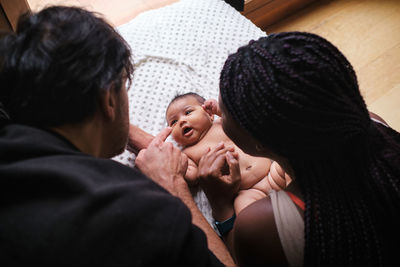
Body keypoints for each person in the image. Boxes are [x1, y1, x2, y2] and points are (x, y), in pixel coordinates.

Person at [0, 6, 235, 266]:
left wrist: (119, 129)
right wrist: (172, 184)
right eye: (123, 85)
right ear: (108, 99)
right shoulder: (134, 209)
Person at [197, 32, 400, 266]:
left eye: (225, 112)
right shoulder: (374, 123)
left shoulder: (264, 225)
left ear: (258, 143)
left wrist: (221, 207)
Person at [165, 92, 291, 214]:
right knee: (243, 210)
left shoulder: (221, 123)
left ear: (209, 114)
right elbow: (192, 176)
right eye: (173, 122)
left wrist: (219, 110)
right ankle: (273, 224)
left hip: (271, 171)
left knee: (289, 166)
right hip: (247, 191)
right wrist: (172, 157)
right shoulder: (188, 153)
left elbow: (238, 118)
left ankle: (301, 198)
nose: (181, 121)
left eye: (188, 112)